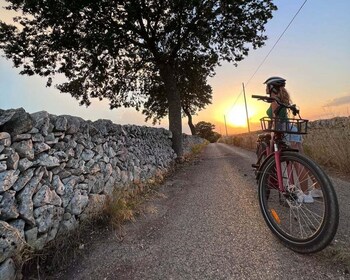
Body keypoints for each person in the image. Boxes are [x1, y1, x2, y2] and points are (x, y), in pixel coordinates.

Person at [264, 76, 322, 203]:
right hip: (292, 129)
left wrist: (272, 137)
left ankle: (306, 195)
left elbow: (276, 121)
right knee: (304, 162)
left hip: (285, 131)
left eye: (267, 86)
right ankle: (317, 188)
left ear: (271, 87)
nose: (265, 89)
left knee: (298, 164)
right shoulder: (282, 98)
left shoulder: (274, 101)